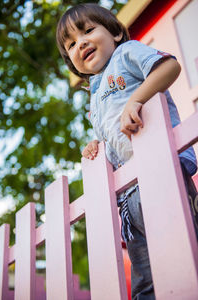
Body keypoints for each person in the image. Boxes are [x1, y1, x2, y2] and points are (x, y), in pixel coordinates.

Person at [56, 3, 198, 299]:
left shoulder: (127, 52)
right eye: (70, 44)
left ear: (116, 32)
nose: (80, 43)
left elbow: (169, 66)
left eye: (88, 31)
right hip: (129, 197)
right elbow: (114, 137)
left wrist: (137, 98)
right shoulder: (95, 94)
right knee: (145, 279)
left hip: (161, 175)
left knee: (184, 253)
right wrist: (98, 146)